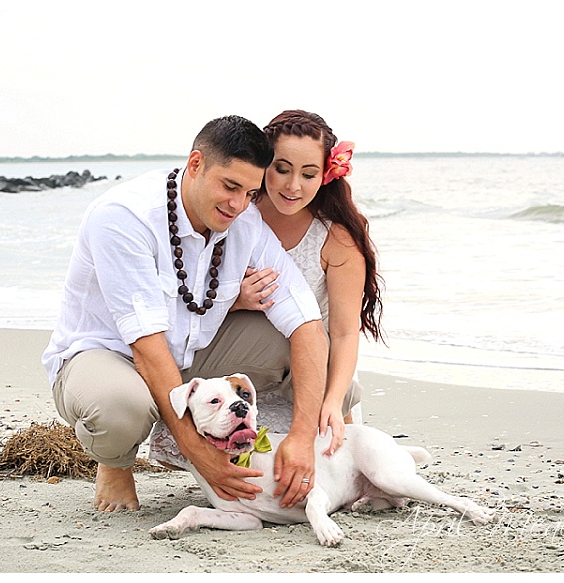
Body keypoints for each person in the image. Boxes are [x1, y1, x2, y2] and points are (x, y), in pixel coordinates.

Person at [42, 115, 348, 513]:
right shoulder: (123, 217)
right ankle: (115, 463)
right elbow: (147, 349)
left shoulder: (245, 219)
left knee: (318, 366)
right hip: (107, 356)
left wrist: (304, 436)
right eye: (230, 186)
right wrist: (201, 456)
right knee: (121, 409)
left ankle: (296, 456)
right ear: (196, 164)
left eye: (250, 193)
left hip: (192, 355)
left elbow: (306, 322)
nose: (237, 205)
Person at [231, 109, 385, 453]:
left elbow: (345, 333)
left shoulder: (336, 238)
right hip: (242, 369)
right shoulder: (236, 214)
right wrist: (236, 299)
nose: (293, 185)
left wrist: (331, 401)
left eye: (309, 173)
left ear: (326, 175)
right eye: (282, 169)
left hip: (310, 374)